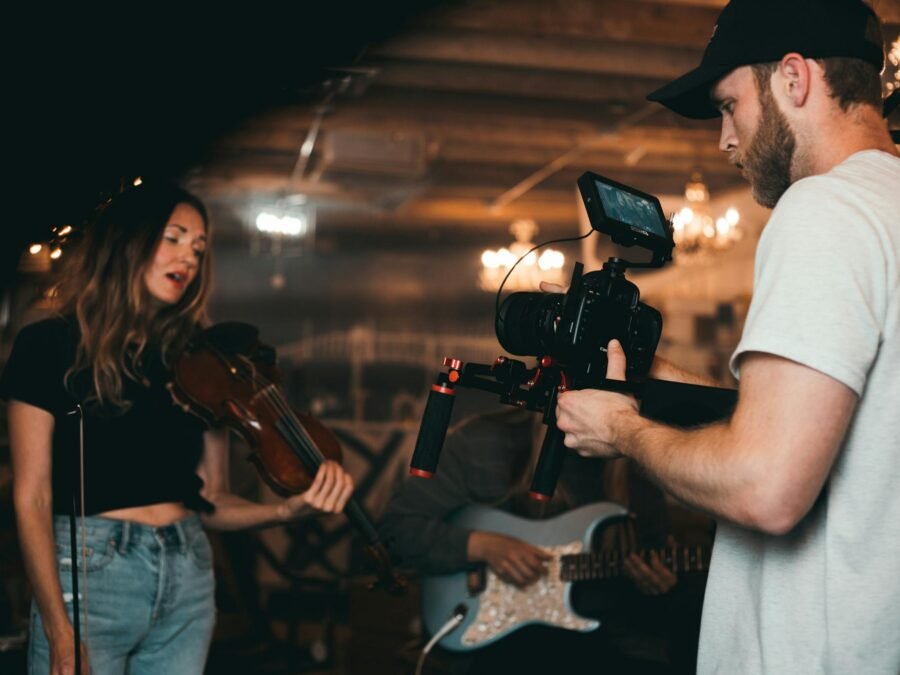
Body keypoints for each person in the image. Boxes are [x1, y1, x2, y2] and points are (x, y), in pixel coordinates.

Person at [554, 1, 900, 673]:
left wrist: (622, 429)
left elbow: (766, 485)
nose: (725, 140)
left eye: (728, 104)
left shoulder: (823, 209)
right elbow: (847, 424)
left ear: (794, 80)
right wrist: (668, 384)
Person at [0, 182, 355, 675]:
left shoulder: (196, 362)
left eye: (199, 247)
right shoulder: (48, 344)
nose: (188, 257)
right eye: (174, 237)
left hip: (187, 570)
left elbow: (214, 501)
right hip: (90, 574)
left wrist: (287, 509)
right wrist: (60, 630)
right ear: (127, 241)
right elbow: (31, 496)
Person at [380, 407, 709, 674]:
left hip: (609, 644)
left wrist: (660, 588)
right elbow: (395, 533)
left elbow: (655, 587)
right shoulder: (479, 442)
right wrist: (480, 545)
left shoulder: (642, 464)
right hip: (498, 650)